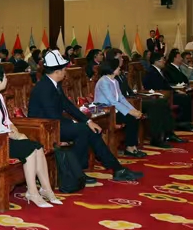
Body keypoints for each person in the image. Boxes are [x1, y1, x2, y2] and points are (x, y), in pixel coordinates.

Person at [28, 50, 142, 182]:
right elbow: (51, 115)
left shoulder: (53, 84)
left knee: (92, 129)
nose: (65, 72)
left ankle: (115, 168)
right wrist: (77, 123)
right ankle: (78, 173)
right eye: (64, 70)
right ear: (57, 71)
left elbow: (68, 105)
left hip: (55, 123)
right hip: (45, 128)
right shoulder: (44, 87)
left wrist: (88, 121)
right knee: (83, 130)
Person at [0, 64, 60, 207]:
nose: (7, 79)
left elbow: (6, 121)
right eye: (4, 77)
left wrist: (16, 131)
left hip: (4, 137)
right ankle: (32, 192)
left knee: (38, 147)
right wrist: (17, 136)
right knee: (29, 149)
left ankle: (46, 189)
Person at [110, 48, 182, 148]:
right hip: (126, 103)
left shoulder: (121, 73)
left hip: (133, 99)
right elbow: (117, 96)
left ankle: (168, 133)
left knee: (162, 102)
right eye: (119, 57)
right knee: (155, 105)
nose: (122, 59)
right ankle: (156, 139)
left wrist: (137, 95)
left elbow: (129, 90)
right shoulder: (110, 74)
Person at [94, 59, 145, 157]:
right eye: (118, 67)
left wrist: (134, 110)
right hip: (104, 112)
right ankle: (130, 147)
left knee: (134, 117)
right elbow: (112, 101)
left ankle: (133, 146)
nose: (119, 68)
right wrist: (130, 112)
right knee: (130, 118)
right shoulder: (103, 81)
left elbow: (121, 98)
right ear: (112, 69)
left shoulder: (115, 81)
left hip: (114, 110)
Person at [143, 52, 193, 130]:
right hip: (159, 96)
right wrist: (174, 92)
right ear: (156, 61)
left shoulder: (159, 71)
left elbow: (166, 85)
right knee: (184, 98)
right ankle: (182, 124)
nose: (164, 62)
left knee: (185, 96)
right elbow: (159, 87)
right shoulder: (151, 72)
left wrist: (176, 91)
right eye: (163, 60)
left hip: (167, 94)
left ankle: (185, 123)